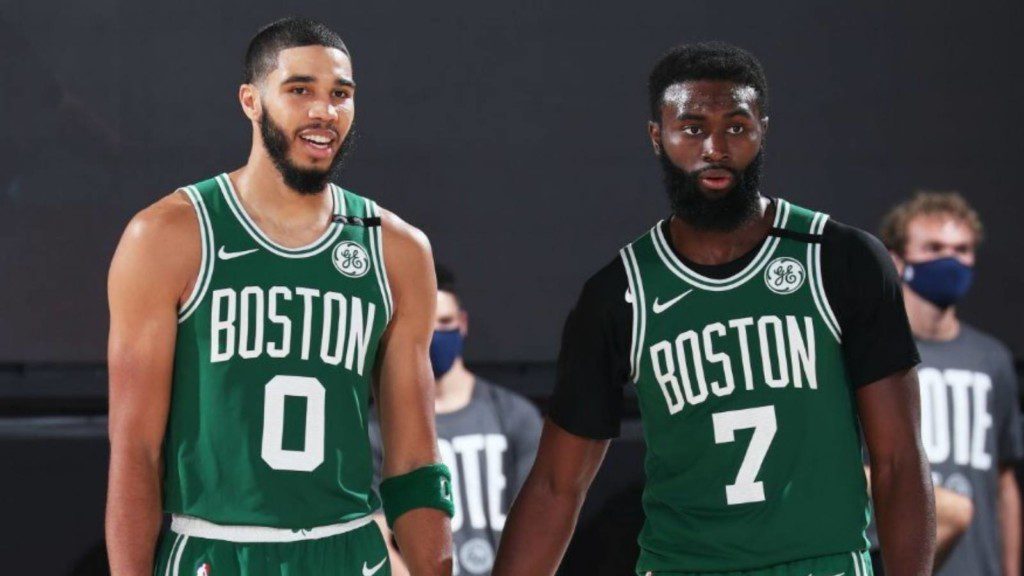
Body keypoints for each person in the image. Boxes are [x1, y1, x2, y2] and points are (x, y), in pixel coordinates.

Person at [493, 42, 936, 576]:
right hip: (684, 565)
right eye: (693, 127)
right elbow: (556, 485)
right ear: (658, 136)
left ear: (762, 131)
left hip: (821, 563)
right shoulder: (620, 294)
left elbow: (898, 462)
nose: (716, 147)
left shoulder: (841, 260)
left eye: (736, 126)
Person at [105, 18, 453, 576]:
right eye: (300, 90)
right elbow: (135, 454)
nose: (324, 111)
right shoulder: (168, 235)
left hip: (349, 550)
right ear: (251, 100)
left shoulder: (398, 250)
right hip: (215, 551)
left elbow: (414, 459)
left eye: (340, 94)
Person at [875, 191, 1023, 576]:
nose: (950, 260)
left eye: (962, 249)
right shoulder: (872, 355)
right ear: (897, 259)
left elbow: (1004, 482)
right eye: (934, 247)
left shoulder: (992, 359)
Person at [370, 264, 543, 576]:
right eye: (426, 325)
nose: (436, 336)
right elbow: (375, 535)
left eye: (445, 322)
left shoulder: (515, 416)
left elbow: (538, 524)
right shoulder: (379, 426)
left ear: (462, 323)